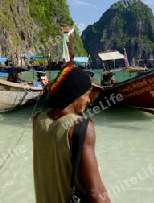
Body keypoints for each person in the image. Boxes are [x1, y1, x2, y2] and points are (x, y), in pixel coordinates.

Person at [33, 65, 110, 203]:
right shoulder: (81, 127)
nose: (88, 100)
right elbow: (96, 194)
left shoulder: (37, 120)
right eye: (87, 94)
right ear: (76, 96)